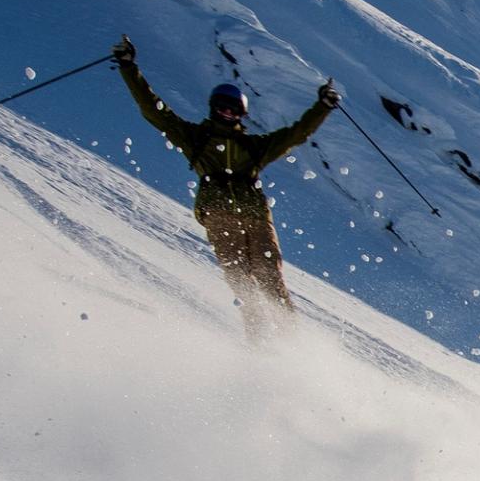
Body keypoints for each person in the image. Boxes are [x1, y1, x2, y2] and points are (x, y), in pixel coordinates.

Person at [112, 40, 339, 336]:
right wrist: (129, 68)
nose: (227, 114)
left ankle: (290, 337)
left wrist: (322, 107)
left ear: (242, 116)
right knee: (241, 280)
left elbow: (296, 133)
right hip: (220, 215)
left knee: (270, 277)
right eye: (223, 109)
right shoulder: (196, 138)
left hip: (256, 218)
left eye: (233, 111)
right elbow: (155, 111)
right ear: (213, 109)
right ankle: (258, 340)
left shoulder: (254, 146)